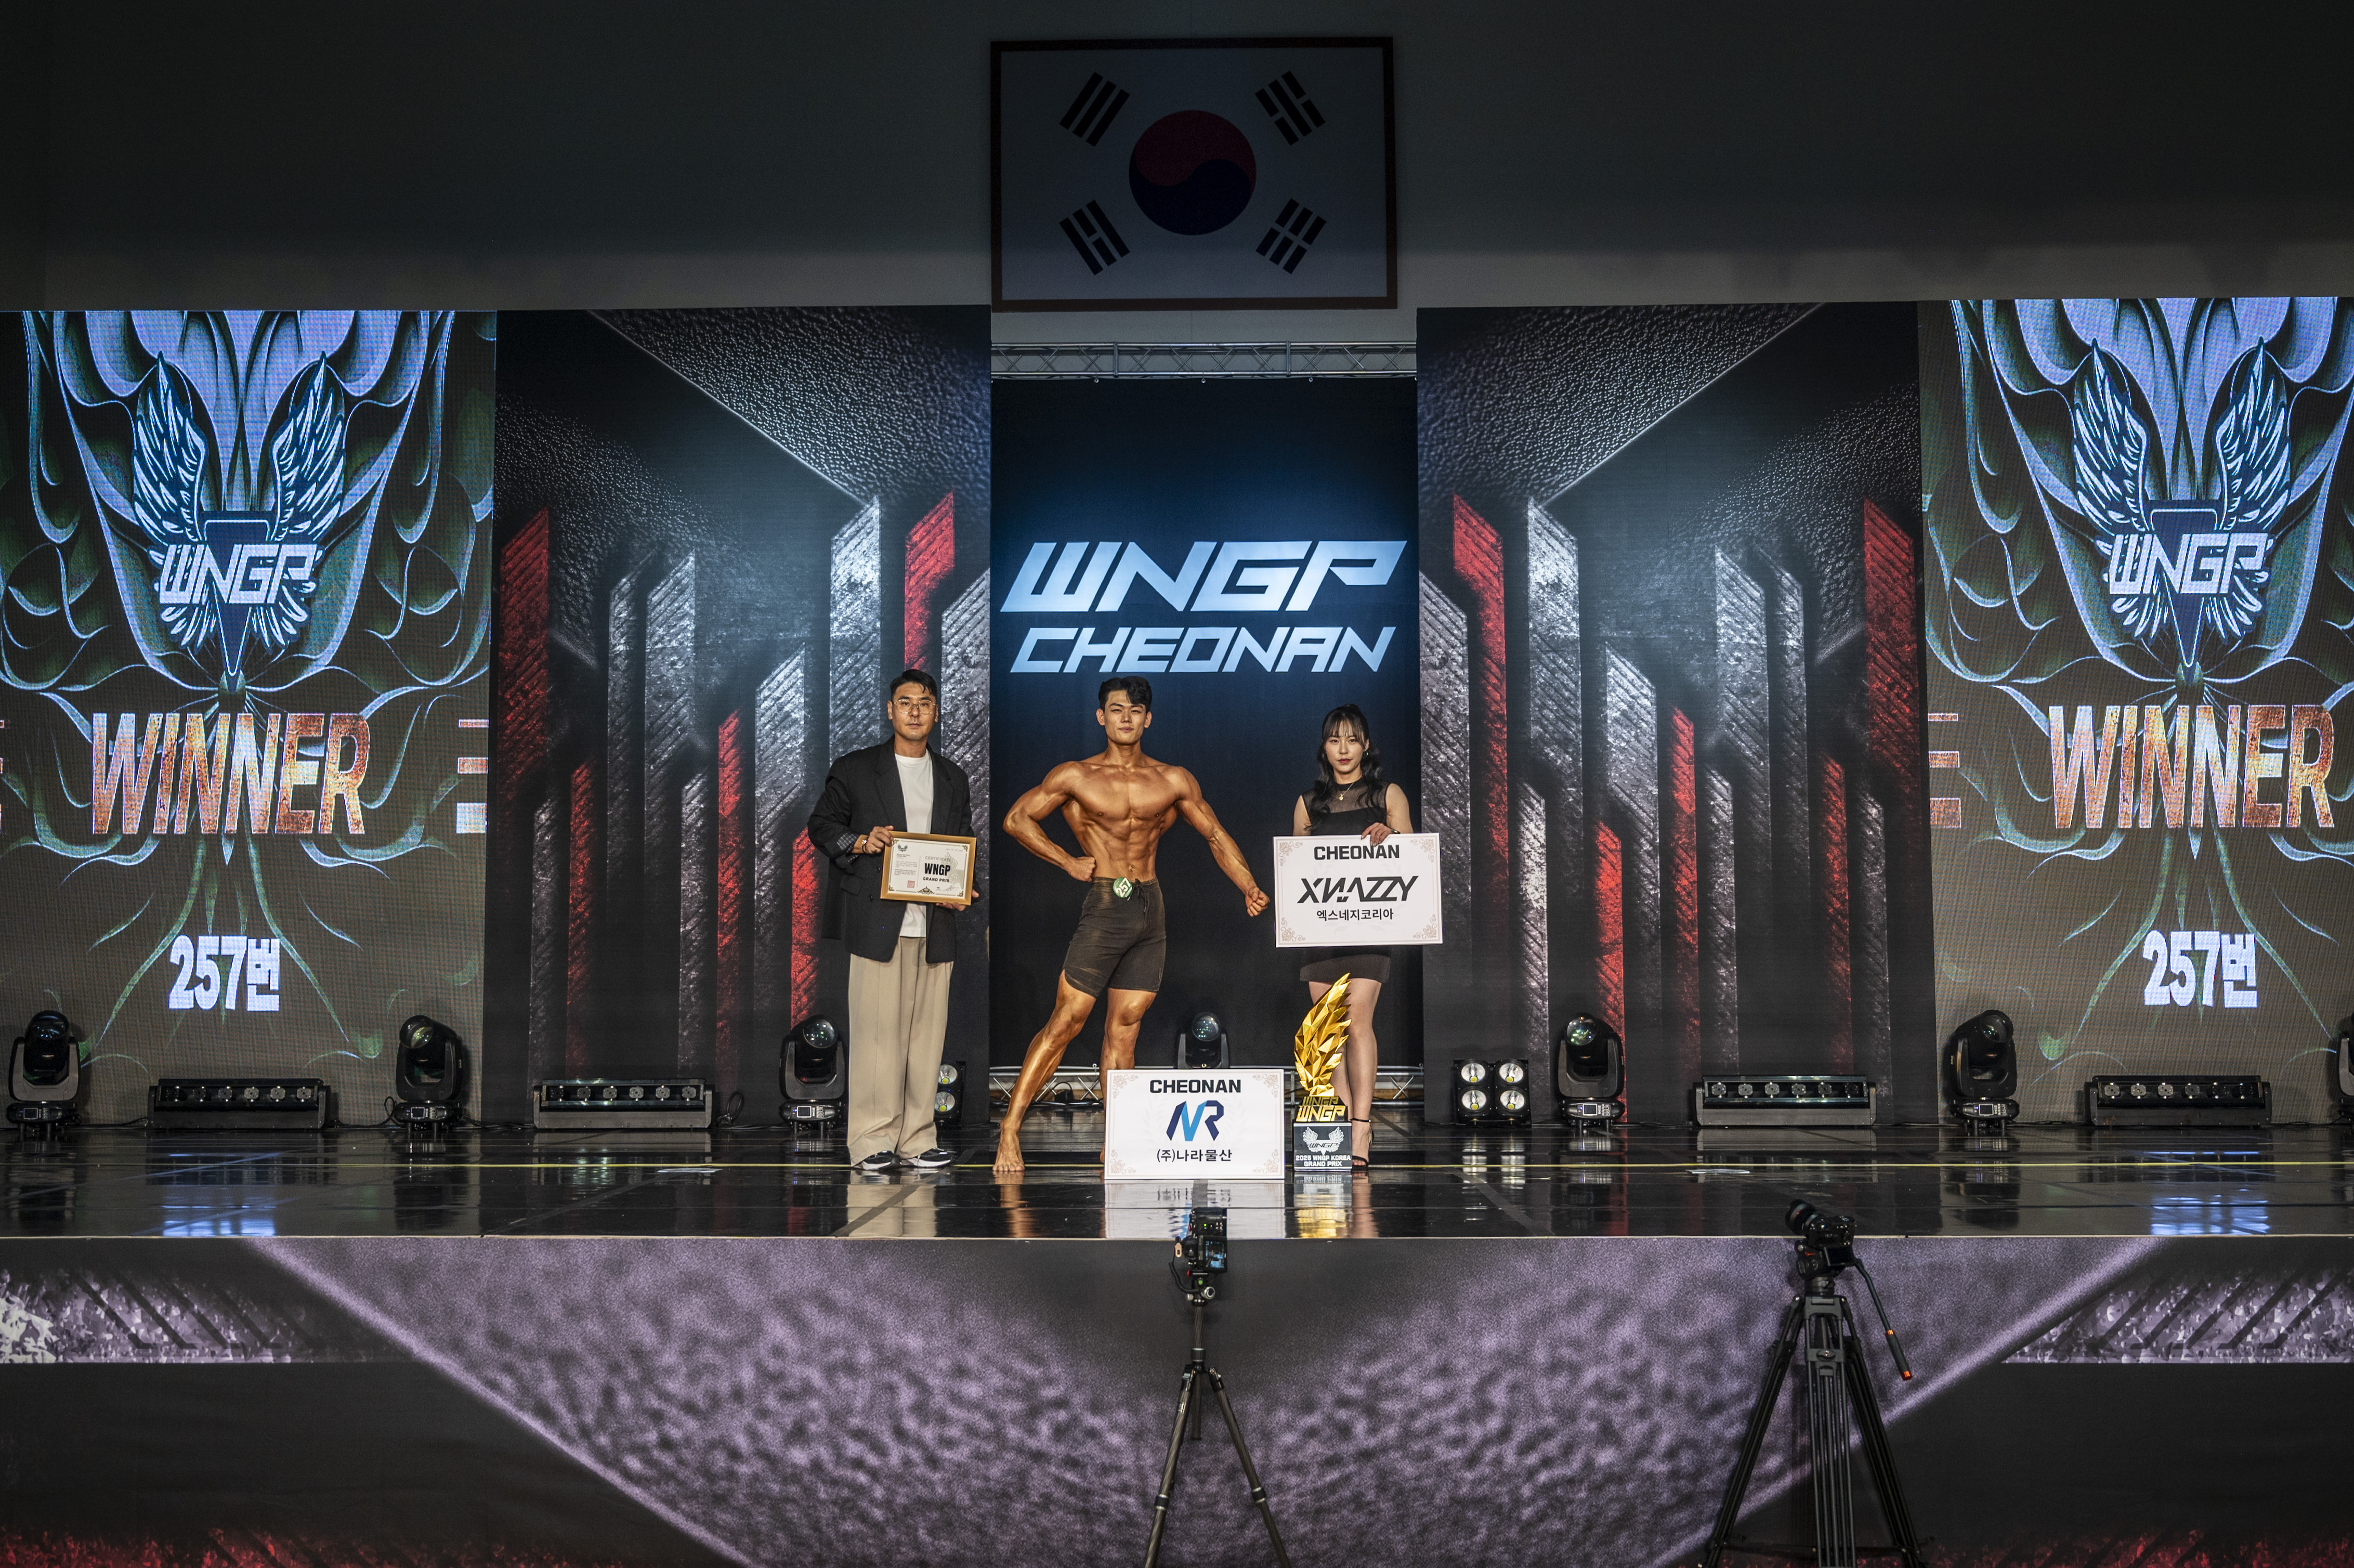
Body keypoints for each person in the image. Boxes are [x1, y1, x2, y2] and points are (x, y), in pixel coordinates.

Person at [994, 676, 1270, 1175]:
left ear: (1148, 719)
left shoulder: (1172, 780)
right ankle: (1010, 1129)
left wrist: (1248, 885)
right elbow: (1017, 820)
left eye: (1135, 710)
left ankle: (1115, 1140)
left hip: (1149, 908)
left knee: (1125, 1031)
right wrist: (1067, 861)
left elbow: (1214, 834)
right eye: (1117, 709)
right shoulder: (1076, 775)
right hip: (1105, 905)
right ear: (1101, 717)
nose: (1126, 718)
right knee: (1068, 1020)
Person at [807, 668, 973, 1175]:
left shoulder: (952, 777)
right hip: (878, 922)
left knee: (926, 1040)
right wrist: (861, 841)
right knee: (878, 1037)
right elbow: (821, 825)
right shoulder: (857, 769)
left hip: (934, 925)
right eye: (906, 702)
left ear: (936, 712)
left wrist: (965, 888)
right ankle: (870, 1140)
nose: (915, 711)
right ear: (890, 710)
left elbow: (961, 843)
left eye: (925, 702)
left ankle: (917, 1139)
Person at [1293, 704, 1414, 1169]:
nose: (1343, 749)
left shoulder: (1387, 795)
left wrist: (1393, 834)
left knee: (1357, 1021)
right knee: (1330, 1031)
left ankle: (1362, 1128)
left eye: (1352, 739)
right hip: (1321, 932)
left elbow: (1414, 861)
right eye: (1334, 740)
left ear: (1366, 746)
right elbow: (1295, 869)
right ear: (1324, 748)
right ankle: (1341, 1124)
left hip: (1370, 929)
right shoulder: (1309, 804)